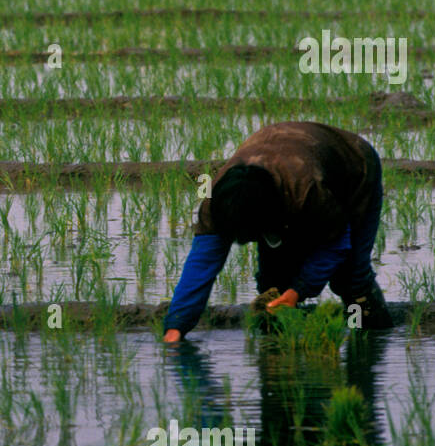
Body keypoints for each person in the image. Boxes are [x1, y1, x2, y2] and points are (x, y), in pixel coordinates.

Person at [162, 122, 393, 341]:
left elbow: (336, 245)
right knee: (273, 285)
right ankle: (278, 359)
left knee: (351, 277)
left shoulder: (307, 191)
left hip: (353, 169)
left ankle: (369, 340)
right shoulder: (218, 202)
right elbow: (201, 265)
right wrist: (176, 326)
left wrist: (298, 291)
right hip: (287, 161)